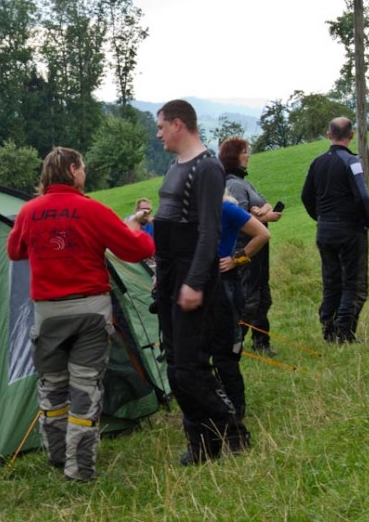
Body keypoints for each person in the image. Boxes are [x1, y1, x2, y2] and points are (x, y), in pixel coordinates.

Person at [7, 147, 154, 483]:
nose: (84, 172)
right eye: (83, 167)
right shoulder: (91, 209)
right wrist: (139, 229)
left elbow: (15, 251)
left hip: (47, 315)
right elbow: (137, 250)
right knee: (85, 389)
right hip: (90, 313)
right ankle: (80, 470)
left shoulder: (29, 212)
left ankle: (57, 457)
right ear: (73, 170)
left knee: (53, 388)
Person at [153, 99, 251, 465]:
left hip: (194, 276)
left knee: (192, 366)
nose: (158, 132)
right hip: (169, 277)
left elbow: (209, 231)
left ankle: (233, 430)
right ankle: (202, 443)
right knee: (176, 367)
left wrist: (194, 282)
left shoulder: (208, 168)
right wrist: (161, 280)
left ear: (179, 124)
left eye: (161, 126)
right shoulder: (173, 166)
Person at [300, 117, 369, 343]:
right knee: (354, 282)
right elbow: (362, 195)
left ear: (328, 134)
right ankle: (345, 330)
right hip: (349, 229)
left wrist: (320, 217)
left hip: (324, 229)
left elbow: (306, 196)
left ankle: (328, 328)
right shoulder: (352, 162)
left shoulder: (317, 163)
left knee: (331, 281)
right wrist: (367, 220)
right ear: (351, 135)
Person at [218, 136, 283, 356]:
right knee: (249, 299)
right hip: (246, 251)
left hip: (259, 252)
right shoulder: (233, 185)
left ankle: (261, 343)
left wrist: (264, 211)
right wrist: (262, 217)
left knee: (263, 297)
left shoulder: (244, 182)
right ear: (233, 155)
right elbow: (240, 219)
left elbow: (265, 203)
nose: (248, 155)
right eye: (244, 151)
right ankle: (233, 345)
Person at [211, 190, 270, 419]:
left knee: (227, 349)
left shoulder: (225, 207)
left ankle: (236, 408)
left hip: (225, 284)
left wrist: (237, 259)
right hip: (204, 284)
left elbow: (263, 234)